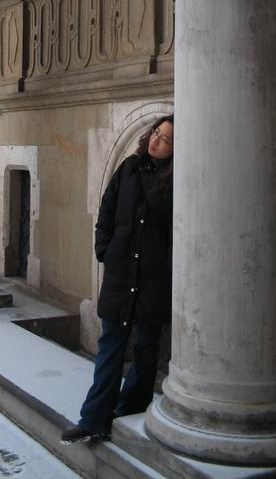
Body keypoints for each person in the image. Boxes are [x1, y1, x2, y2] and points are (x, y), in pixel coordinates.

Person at [61, 115, 174, 445]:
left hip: (154, 279)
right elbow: (107, 211)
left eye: (166, 139)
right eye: (155, 133)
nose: (156, 141)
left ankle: (129, 413)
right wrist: (104, 250)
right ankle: (93, 418)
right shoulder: (129, 169)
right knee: (110, 346)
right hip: (121, 275)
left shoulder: (179, 180)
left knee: (146, 349)